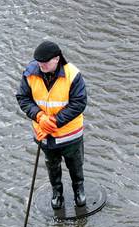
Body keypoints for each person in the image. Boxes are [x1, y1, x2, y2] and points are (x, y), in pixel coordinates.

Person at [16, 40, 87, 210]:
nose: (41, 65)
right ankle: (57, 193)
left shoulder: (73, 75)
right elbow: (23, 98)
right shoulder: (30, 73)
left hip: (70, 135)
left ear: (57, 59)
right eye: (39, 62)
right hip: (44, 135)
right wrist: (39, 116)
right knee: (52, 165)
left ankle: (79, 190)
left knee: (75, 164)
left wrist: (54, 121)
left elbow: (79, 102)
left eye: (45, 62)